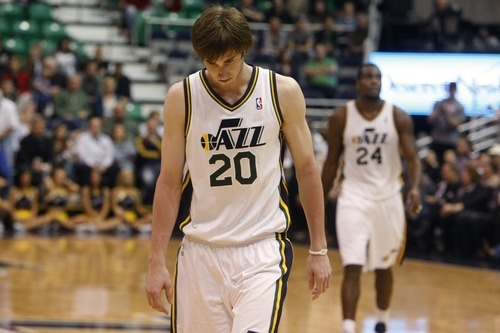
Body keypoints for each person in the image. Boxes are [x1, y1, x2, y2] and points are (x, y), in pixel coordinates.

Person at [145, 5, 332, 333]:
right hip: (201, 251)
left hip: (260, 249)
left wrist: (319, 248)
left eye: (228, 61)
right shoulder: (182, 97)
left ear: (244, 48)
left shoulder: (280, 92)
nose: (220, 71)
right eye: (210, 62)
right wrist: (155, 260)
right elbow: (170, 181)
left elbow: (306, 168)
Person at [321, 63, 422, 333]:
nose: (373, 81)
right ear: (357, 82)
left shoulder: (398, 116)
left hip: (388, 198)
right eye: (367, 76)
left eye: (377, 77)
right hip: (353, 197)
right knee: (352, 264)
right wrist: (318, 196)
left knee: (383, 266)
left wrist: (415, 188)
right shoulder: (342, 117)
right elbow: (331, 162)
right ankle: (348, 327)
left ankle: (382, 321)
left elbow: (413, 159)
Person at [428, 82, 466, 163]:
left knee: (449, 163)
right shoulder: (439, 104)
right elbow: (430, 119)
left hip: (450, 141)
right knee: (433, 162)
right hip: (437, 139)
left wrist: (447, 115)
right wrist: (439, 113)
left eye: (453, 89)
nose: (451, 91)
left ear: (455, 90)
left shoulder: (459, 106)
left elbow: (456, 124)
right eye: (450, 88)